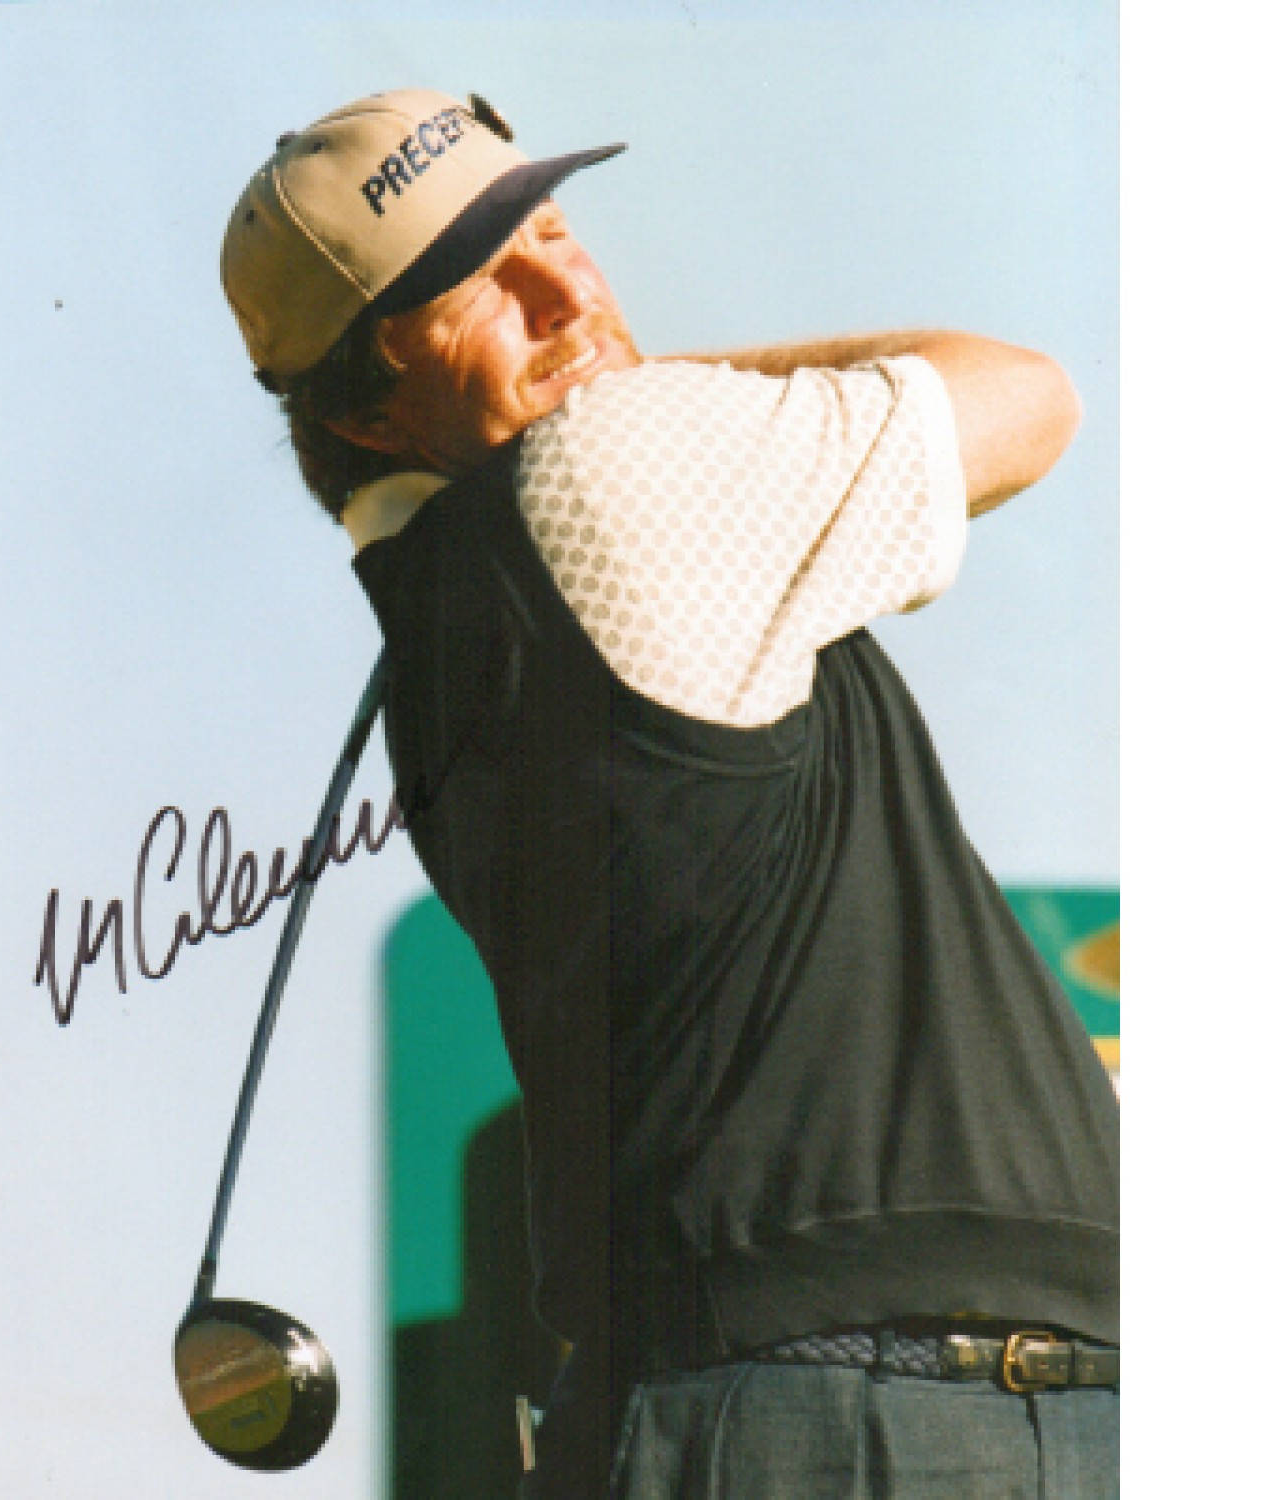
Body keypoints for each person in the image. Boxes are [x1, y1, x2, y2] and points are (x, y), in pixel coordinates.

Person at [221, 88, 1119, 1498]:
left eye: (556, 229)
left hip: (829, 1403)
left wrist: (586, 379)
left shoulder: (462, 592)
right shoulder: (611, 467)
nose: (566, 285)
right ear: (376, 399)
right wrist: (641, 384)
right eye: (486, 286)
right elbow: (1030, 392)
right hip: (859, 1421)